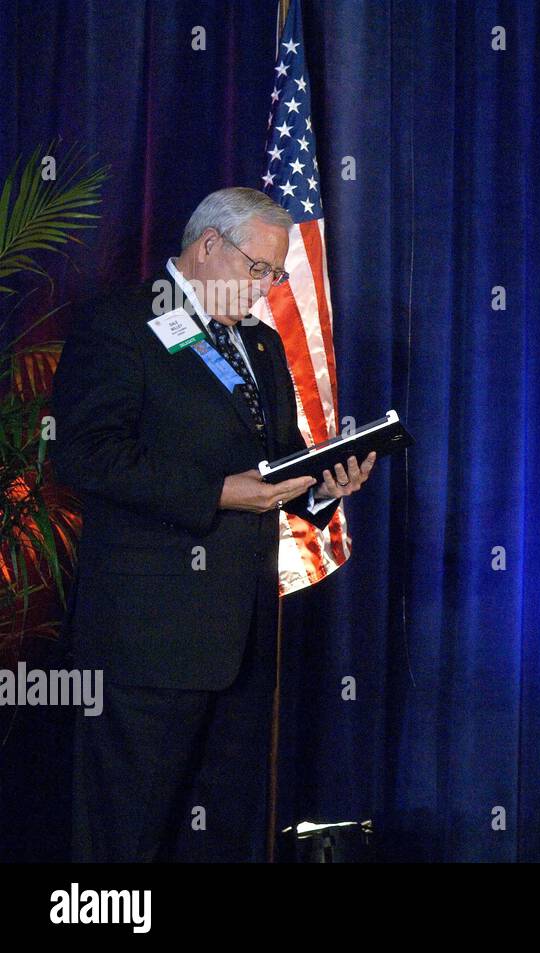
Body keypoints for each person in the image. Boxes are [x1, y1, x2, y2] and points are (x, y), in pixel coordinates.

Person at [50, 187, 376, 862]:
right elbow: (87, 454)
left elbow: (276, 468)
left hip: (243, 640)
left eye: (275, 275)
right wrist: (219, 493)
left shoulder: (259, 342)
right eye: (259, 269)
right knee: (126, 837)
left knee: (223, 837)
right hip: (148, 639)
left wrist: (322, 490)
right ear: (207, 246)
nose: (265, 288)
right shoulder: (120, 321)